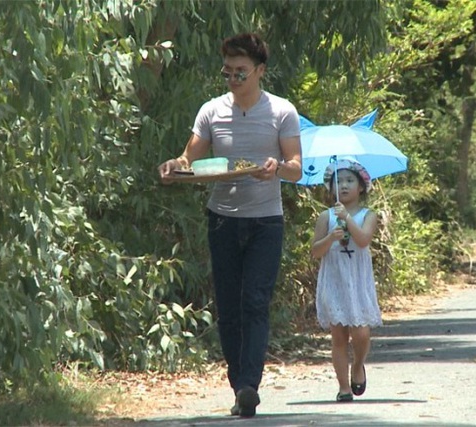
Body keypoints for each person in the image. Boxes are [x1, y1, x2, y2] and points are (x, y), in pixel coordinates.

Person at [158, 32, 302, 417]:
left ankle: (249, 384)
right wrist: (174, 167)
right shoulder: (211, 111)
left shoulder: (282, 111)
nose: (233, 79)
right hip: (222, 219)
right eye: (227, 72)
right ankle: (239, 385)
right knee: (229, 308)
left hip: (266, 221)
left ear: (260, 71)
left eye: (241, 72)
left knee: (255, 301)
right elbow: (189, 159)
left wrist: (276, 168)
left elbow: (296, 167)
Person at [310, 157, 382, 402]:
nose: (343, 185)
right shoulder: (325, 217)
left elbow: (363, 240)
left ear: (361, 187)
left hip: (357, 279)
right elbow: (315, 251)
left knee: (361, 333)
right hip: (334, 278)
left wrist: (348, 219)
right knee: (339, 336)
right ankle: (343, 388)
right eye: (338, 181)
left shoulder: (368, 215)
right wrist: (330, 237)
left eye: (350, 180)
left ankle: (358, 365)